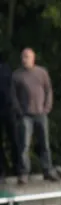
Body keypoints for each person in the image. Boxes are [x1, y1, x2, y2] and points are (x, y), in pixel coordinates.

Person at [12, 47, 58, 184]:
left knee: (45, 144)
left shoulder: (42, 72)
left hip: (40, 114)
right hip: (26, 115)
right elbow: (13, 96)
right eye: (22, 57)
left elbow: (48, 90)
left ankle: (47, 170)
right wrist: (19, 111)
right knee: (24, 145)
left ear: (33, 58)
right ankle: (24, 173)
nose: (24, 59)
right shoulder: (17, 75)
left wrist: (47, 107)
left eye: (26, 57)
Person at [0, 51, 18, 183]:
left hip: (8, 109)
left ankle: (17, 168)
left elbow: (12, 89)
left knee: (14, 140)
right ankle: (2, 169)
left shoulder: (6, 69)